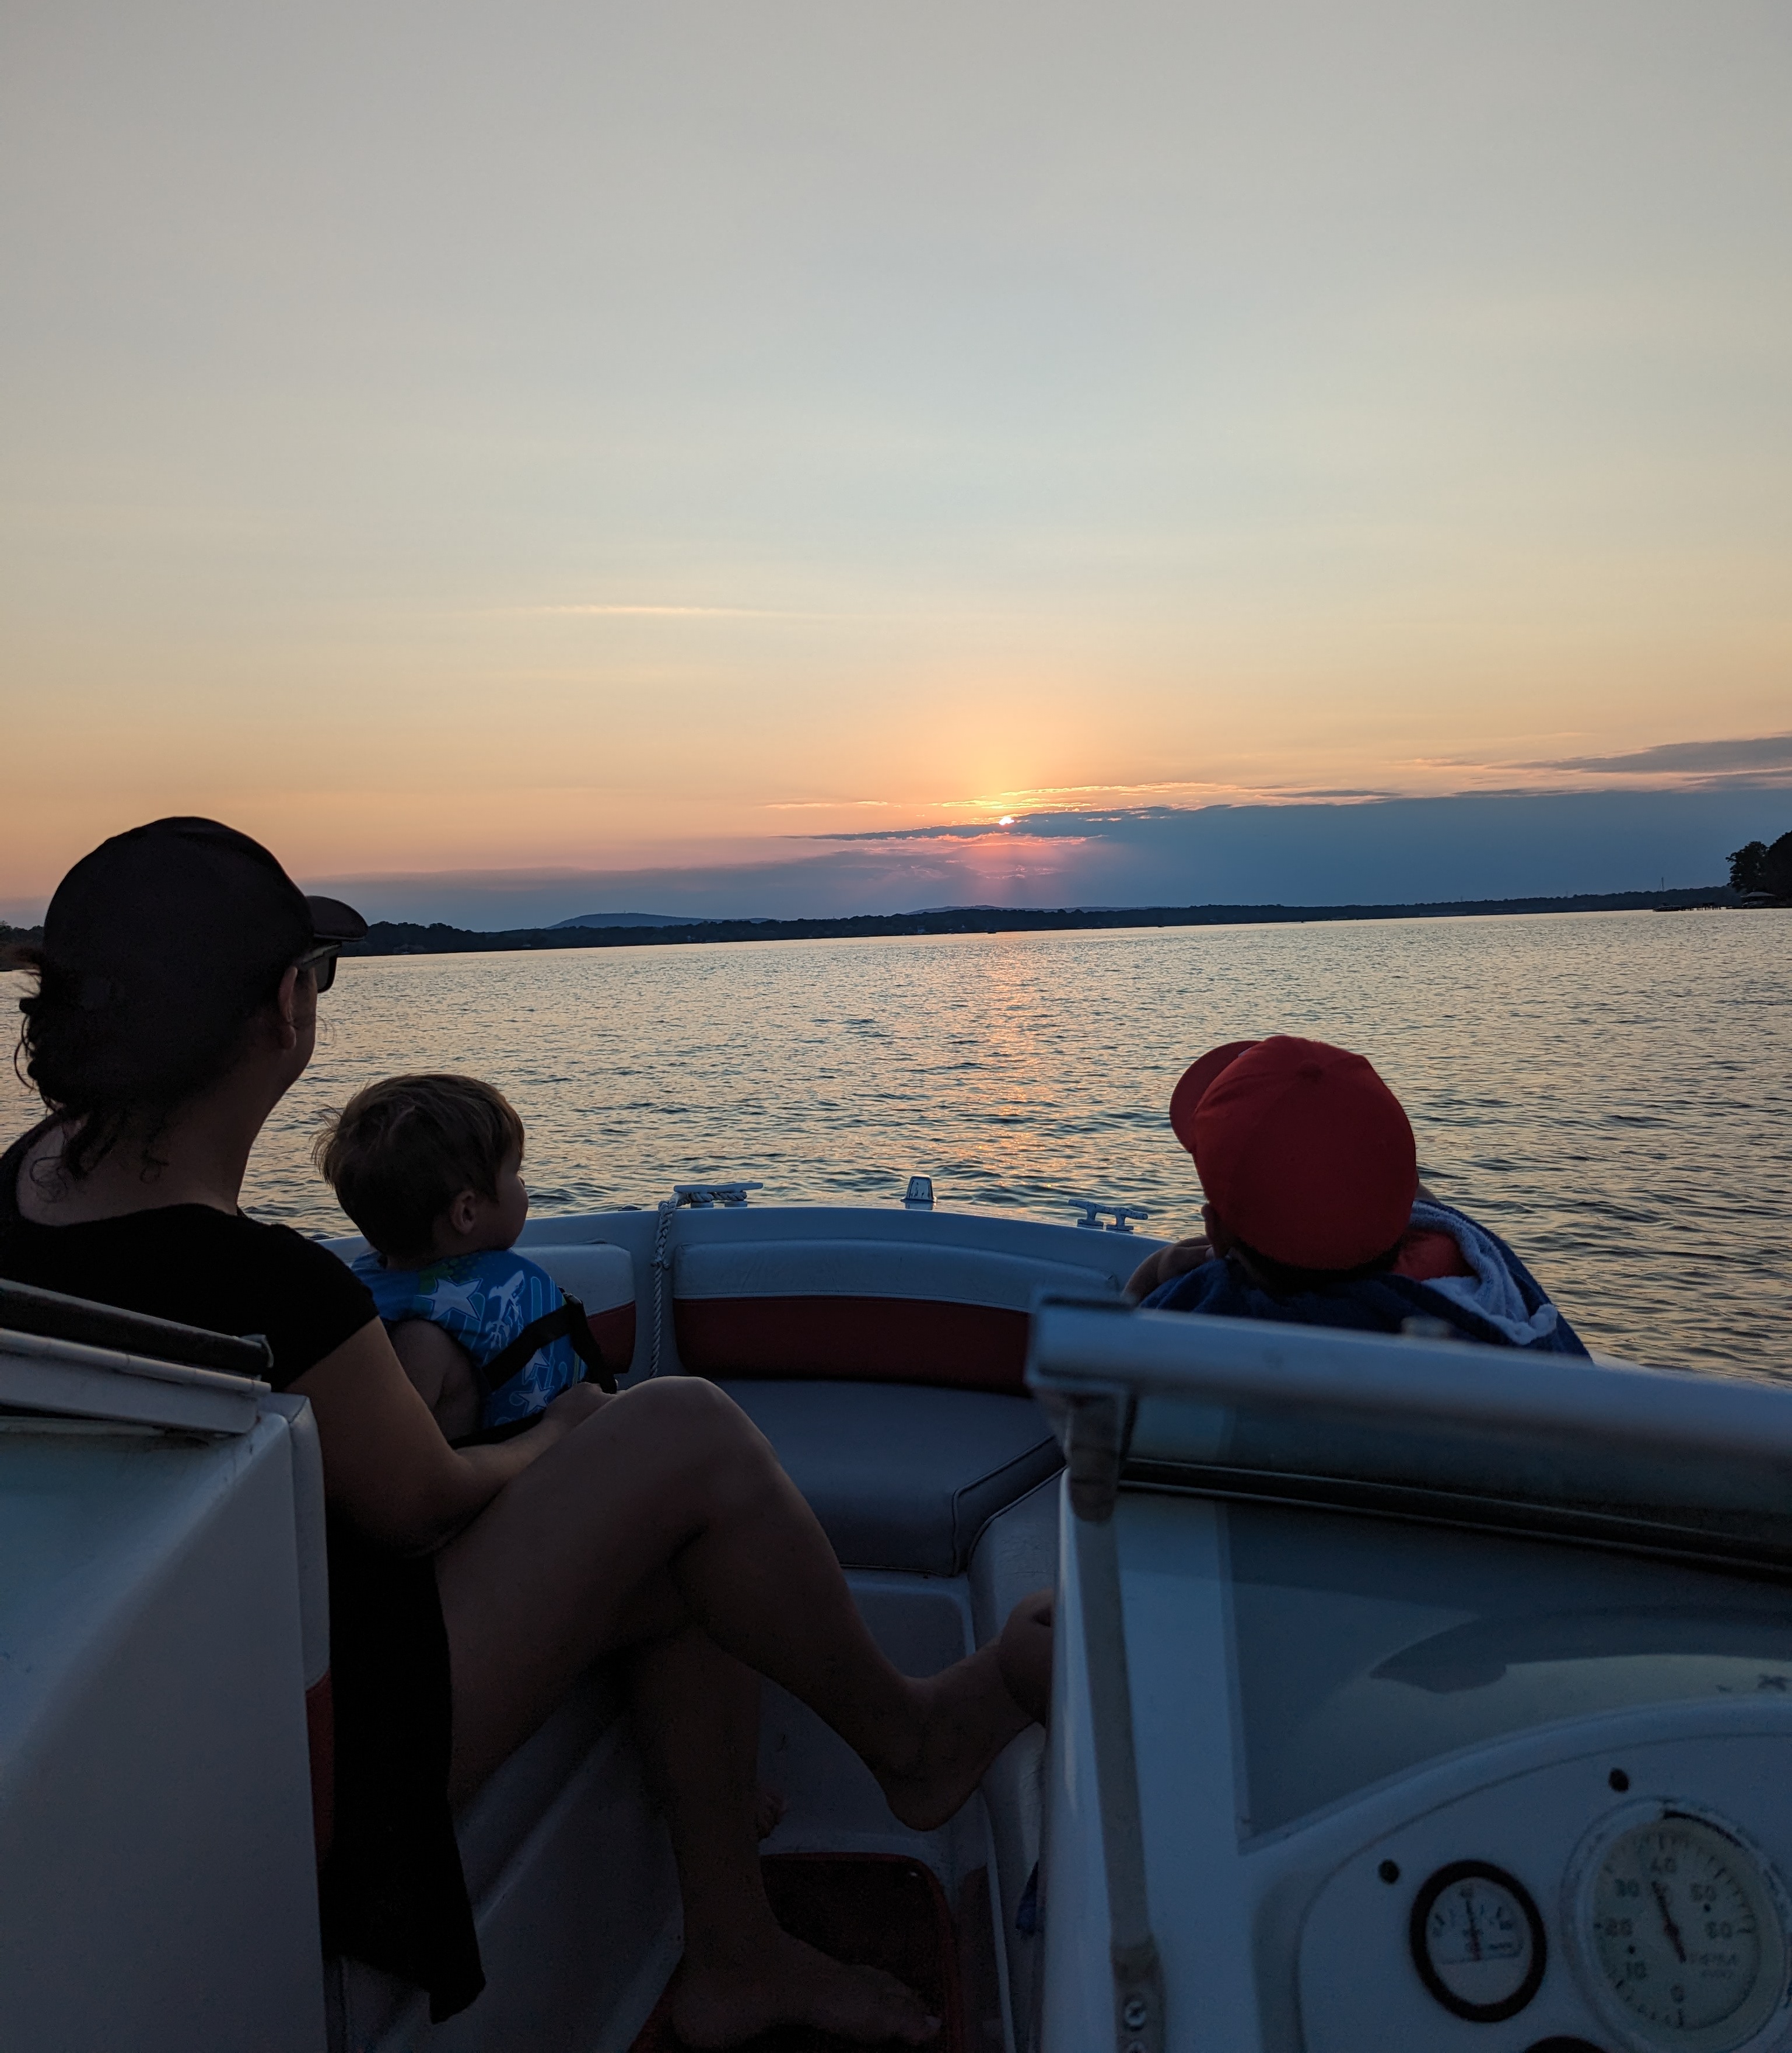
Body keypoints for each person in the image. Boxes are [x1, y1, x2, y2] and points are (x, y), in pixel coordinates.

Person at [2, 818, 1041, 2048]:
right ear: (286, 1007)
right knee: (682, 1431)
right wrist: (562, 1439)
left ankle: (735, 1957)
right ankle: (911, 1743)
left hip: (175, 1709)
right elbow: (425, 1501)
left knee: (671, 1556)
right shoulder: (268, 1290)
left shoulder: (25, 1195)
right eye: (316, 976)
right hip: (317, 1752)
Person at [1124, 1034, 1588, 1355]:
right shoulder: (1488, 1272)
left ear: (1216, 1234)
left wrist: (1155, 1270)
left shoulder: (1207, 1307)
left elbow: (1097, 1382)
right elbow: (1416, 1197)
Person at [316, 1072, 607, 1444]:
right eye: (515, 1173)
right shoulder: (420, 1344)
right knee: (685, 1403)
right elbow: (402, 1481)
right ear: (466, 1213)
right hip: (507, 1491)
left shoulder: (391, 1275)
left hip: (548, 1460)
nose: (524, 1185)